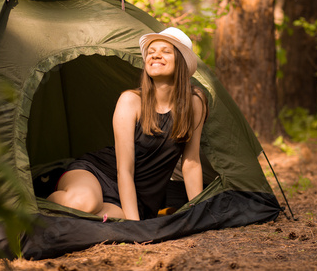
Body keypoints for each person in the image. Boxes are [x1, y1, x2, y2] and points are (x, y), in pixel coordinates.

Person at [47, 27, 207, 221]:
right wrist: (135, 226)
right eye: (151, 52)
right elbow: (124, 170)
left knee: (101, 220)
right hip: (99, 172)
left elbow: (191, 163)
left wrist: (198, 212)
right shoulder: (131, 101)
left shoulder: (194, 102)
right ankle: (46, 198)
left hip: (139, 197)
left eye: (166, 51)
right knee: (84, 204)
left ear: (181, 62)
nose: (156, 55)